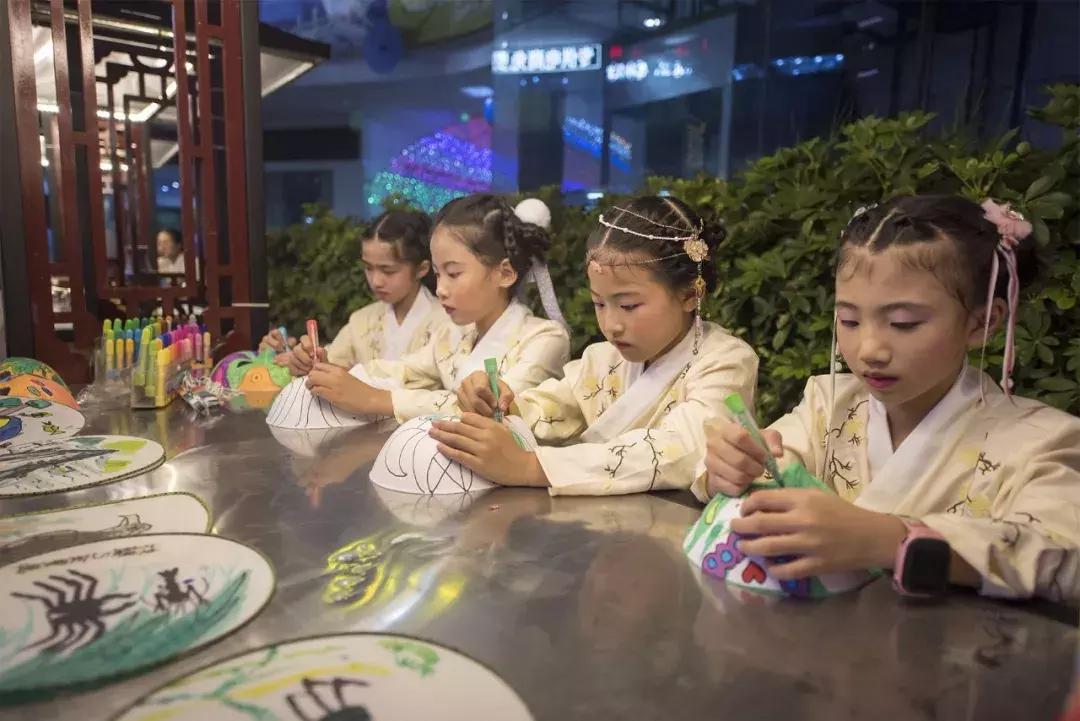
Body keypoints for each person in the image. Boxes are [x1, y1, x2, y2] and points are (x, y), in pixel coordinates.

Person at [698, 195, 1080, 602]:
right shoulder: (826, 404)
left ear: (982, 322)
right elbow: (773, 467)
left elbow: (1063, 554)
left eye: (903, 323)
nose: (869, 349)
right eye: (849, 320)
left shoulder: (1044, 442)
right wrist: (734, 467)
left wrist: (890, 539)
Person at [429, 195, 759, 496]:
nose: (611, 324)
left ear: (690, 294)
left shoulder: (727, 361)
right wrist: (501, 404)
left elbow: (683, 447)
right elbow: (554, 406)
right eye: (599, 304)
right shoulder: (602, 358)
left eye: (628, 305)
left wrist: (530, 466)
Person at [301, 193, 570, 422]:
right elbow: (401, 371)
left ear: (505, 273)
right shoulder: (452, 336)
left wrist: (376, 399)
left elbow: (490, 411)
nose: (440, 288)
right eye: (438, 274)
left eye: (453, 273)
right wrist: (338, 374)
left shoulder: (545, 339)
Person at [267, 209, 445, 369]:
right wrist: (298, 357)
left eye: (388, 270)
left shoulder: (445, 322)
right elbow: (330, 363)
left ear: (422, 269)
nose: (376, 281)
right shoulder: (361, 321)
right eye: (368, 268)